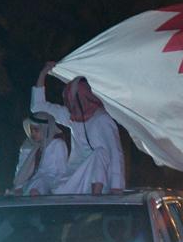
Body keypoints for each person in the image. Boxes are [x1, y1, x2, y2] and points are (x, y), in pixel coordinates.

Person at [32, 62, 125, 194]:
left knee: (100, 153)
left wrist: (116, 187)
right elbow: (38, 107)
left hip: (101, 179)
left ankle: (96, 198)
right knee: (51, 188)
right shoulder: (71, 116)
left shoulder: (102, 119)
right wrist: (43, 73)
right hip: (75, 175)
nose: (69, 103)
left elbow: (115, 152)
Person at [13, 112, 68, 195]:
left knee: (37, 185)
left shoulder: (58, 144)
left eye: (36, 130)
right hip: (30, 181)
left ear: (45, 129)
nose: (33, 134)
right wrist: (18, 186)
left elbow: (62, 171)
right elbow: (21, 169)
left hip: (50, 181)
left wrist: (55, 189)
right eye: (31, 130)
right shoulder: (28, 145)